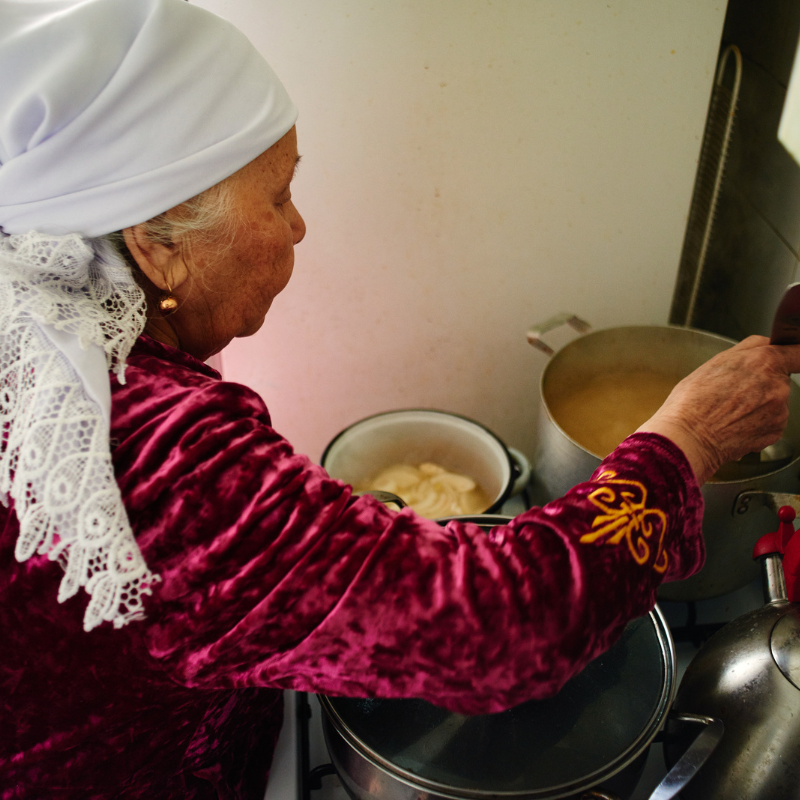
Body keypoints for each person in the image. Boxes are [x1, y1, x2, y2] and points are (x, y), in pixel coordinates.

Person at [0, 1, 798, 798]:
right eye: (277, 198)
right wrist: (690, 434)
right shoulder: (155, 450)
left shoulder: (39, 326)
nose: (298, 227)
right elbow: (502, 627)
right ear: (156, 245)